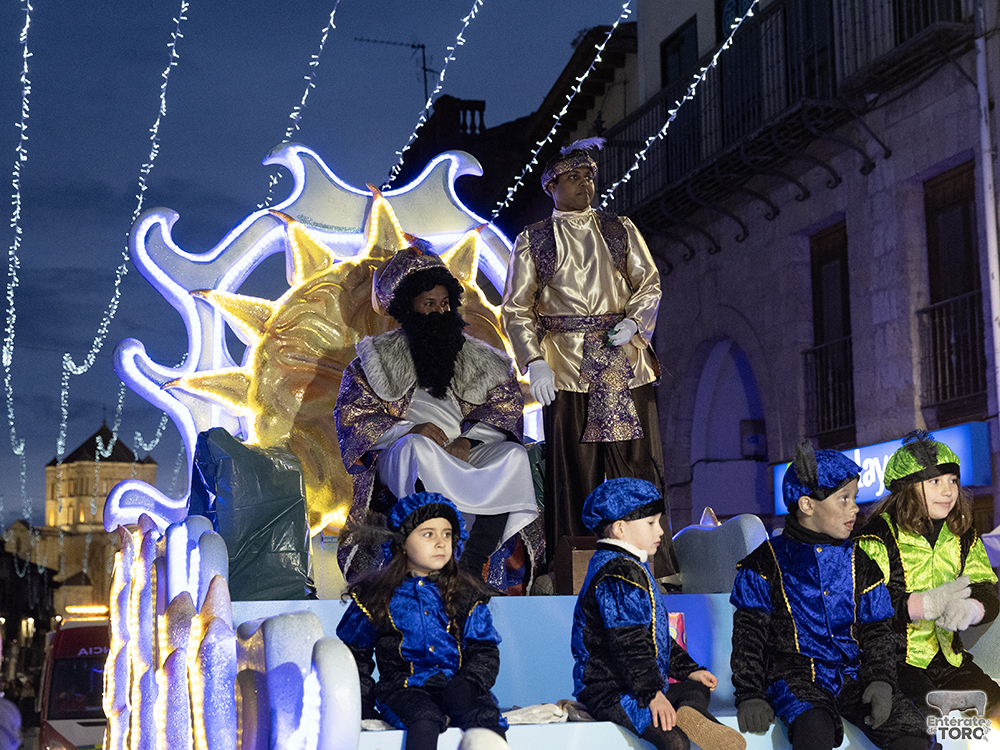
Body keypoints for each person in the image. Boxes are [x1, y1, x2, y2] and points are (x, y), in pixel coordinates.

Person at [500, 139, 673, 572]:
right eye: (573, 177)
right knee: (575, 469)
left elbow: (648, 283)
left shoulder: (620, 229)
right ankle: (576, 564)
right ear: (551, 185)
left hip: (624, 365)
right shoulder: (534, 239)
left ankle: (652, 559)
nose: (584, 185)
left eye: (589, 176)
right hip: (567, 370)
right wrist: (533, 361)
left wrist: (637, 322)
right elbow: (517, 307)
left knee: (637, 463)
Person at [335, 245, 539, 581]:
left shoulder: (481, 359)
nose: (440, 312)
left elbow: (504, 407)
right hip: (402, 449)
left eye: (444, 304)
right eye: (429, 304)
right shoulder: (372, 361)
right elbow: (353, 418)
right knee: (419, 450)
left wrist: (469, 442)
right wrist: (407, 431)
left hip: (462, 446)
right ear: (407, 309)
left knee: (513, 456)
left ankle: (472, 563)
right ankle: (427, 557)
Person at [730, 441, 932, 750]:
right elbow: (749, 636)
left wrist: (881, 680)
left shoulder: (860, 562)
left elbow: (877, 629)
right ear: (807, 505)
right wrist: (750, 695)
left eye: (855, 498)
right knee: (813, 729)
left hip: (852, 678)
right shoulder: (765, 562)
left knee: (912, 733)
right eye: (844, 499)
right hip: (796, 680)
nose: (854, 508)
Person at [571, 477, 745, 750]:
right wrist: (651, 694)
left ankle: (692, 715)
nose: (661, 531)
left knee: (695, 687)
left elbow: (656, 637)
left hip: (638, 683)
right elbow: (628, 643)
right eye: (651, 523)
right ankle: (689, 718)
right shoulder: (619, 573)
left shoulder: (632, 566)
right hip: (612, 689)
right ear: (620, 529)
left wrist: (689, 671)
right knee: (674, 741)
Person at [336, 491, 509, 750]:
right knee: (423, 719)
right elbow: (353, 656)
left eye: (447, 534)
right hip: (404, 689)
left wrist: (470, 684)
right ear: (403, 542)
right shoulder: (376, 597)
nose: (441, 543)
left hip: (455, 686)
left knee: (486, 718)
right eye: (429, 534)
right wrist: (362, 706)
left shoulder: (466, 594)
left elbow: (484, 649)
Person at [856, 430, 1000, 719]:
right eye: (935, 482)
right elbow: (862, 606)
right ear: (907, 487)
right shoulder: (877, 536)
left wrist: (971, 609)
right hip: (895, 663)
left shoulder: (962, 534)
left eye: (953, 481)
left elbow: (987, 590)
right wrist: (922, 605)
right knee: (930, 715)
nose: (948, 491)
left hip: (949, 659)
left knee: (994, 704)